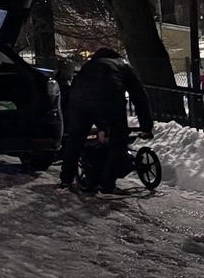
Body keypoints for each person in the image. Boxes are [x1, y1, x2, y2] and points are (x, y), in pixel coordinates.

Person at [61, 46, 154, 193]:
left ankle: (65, 180)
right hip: (109, 103)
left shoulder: (89, 65)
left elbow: (75, 89)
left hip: (79, 103)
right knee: (118, 140)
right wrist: (146, 127)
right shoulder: (123, 65)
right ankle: (106, 186)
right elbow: (139, 97)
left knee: (75, 141)